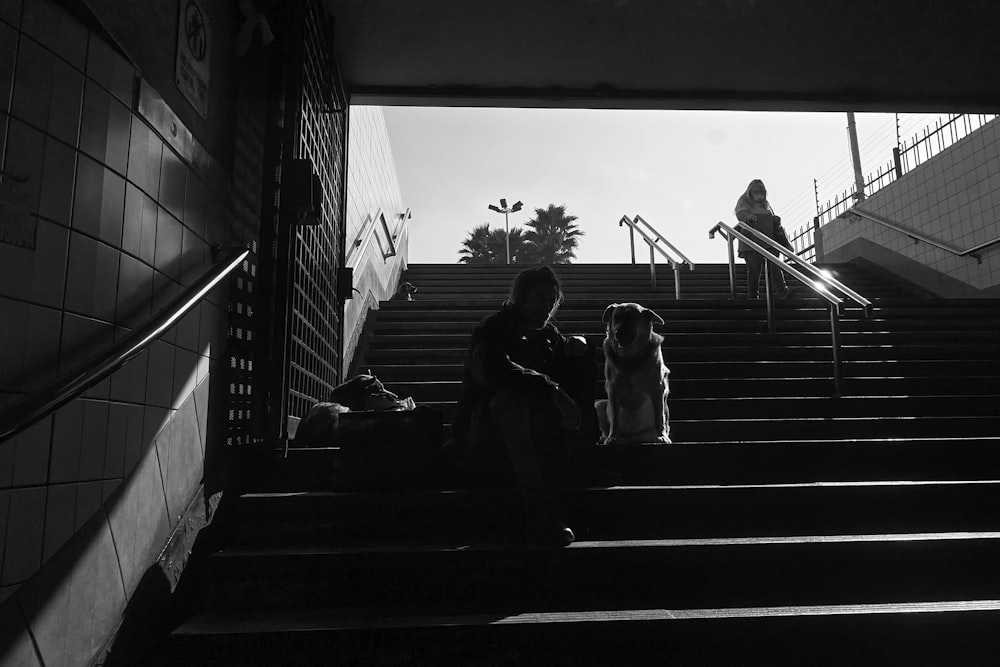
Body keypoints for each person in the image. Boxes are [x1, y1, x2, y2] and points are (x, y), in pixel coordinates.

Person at [448, 265, 610, 547]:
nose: (546, 309)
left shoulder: (547, 335)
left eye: (552, 301)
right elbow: (495, 371)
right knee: (510, 399)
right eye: (540, 299)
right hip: (487, 435)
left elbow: (570, 361)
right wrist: (551, 388)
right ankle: (540, 511)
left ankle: (582, 458)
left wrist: (583, 343)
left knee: (583, 364)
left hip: (532, 432)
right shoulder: (492, 329)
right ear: (521, 298)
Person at [734, 179, 793, 300]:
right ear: (750, 192)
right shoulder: (743, 202)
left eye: (761, 192)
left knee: (775, 266)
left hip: (768, 242)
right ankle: (753, 295)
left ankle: (783, 291)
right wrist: (748, 218)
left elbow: (772, 219)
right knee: (754, 271)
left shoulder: (766, 205)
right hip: (750, 244)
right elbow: (741, 215)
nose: (759, 195)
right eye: (756, 192)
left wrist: (776, 221)